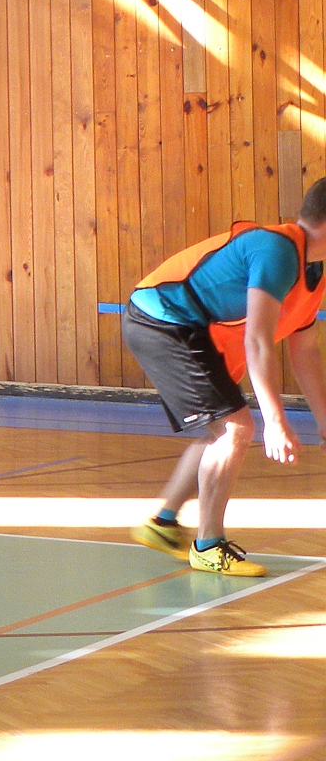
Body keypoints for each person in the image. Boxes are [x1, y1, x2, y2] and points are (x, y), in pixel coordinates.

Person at [126, 180, 326, 576]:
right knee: (236, 428)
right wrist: (275, 421)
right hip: (162, 320)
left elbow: (304, 350)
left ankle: (163, 524)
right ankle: (208, 545)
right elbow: (258, 341)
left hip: (193, 327)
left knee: (223, 428)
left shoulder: (313, 270)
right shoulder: (278, 251)